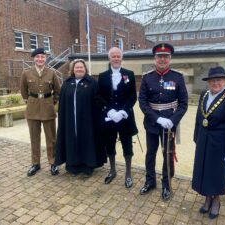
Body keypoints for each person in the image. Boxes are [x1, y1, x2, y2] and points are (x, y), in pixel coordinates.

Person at [138, 43, 188, 201]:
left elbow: (183, 103)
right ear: (155, 58)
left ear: (170, 59)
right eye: (159, 56)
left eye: (165, 56)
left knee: (168, 154)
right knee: (150, 154)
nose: (162, 59)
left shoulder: (177, 77)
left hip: (169, 124)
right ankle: (150, 181)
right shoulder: (147, 77)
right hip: (152, 123)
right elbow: (143, 102)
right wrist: (157, 118)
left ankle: (166, 184)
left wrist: (172, 120)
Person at [192, 66, 225, 219]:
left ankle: (216, 201)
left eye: (219, 80)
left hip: (220, 144)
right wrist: (197, 137)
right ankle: (207, 198)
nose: (216, 83)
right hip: (204, 140)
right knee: (204, 171)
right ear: (208, 82)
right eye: (213, 80)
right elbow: (199, 119)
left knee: (217, 173)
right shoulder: (204, 95)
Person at [55, 59, 106, 176]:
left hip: (87, 120)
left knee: (87, 140)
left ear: (85, 69)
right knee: (71, 140)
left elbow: (99, 101)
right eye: (76, 67)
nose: (79, 69)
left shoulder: (92, 82)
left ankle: (88, 165)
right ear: (73, 70)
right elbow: (62, 103)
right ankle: (72, 165)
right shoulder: (67, 83)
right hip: (70, 121)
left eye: (81, 67)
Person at [97, 47, 138, 188]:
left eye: (118, 56)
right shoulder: (102, 76)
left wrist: (123, 112)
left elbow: (133, 96)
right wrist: (109, 111)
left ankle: (128, 174)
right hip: (109, 118)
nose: (115, 58)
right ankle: (113, 170)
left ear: (121, 58)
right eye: (113, 56)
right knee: (110, 143)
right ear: (109, 59)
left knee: (127, 144)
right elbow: (99, 97)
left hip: (125, 117)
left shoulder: (129, 74)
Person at [20, 47, 61, 176]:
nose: (40, 59)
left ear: (45, 58)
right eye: (37, 57)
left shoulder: (52, 73)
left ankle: (53, 162)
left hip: (48, 108)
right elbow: (23, 91)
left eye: (42, 57)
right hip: (32, 109)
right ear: (34, 58)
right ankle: (35, 163)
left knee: (51, 138)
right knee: (34, 138)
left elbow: (58, 91)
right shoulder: (26, 73)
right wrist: (29, 101)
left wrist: (52, 102)